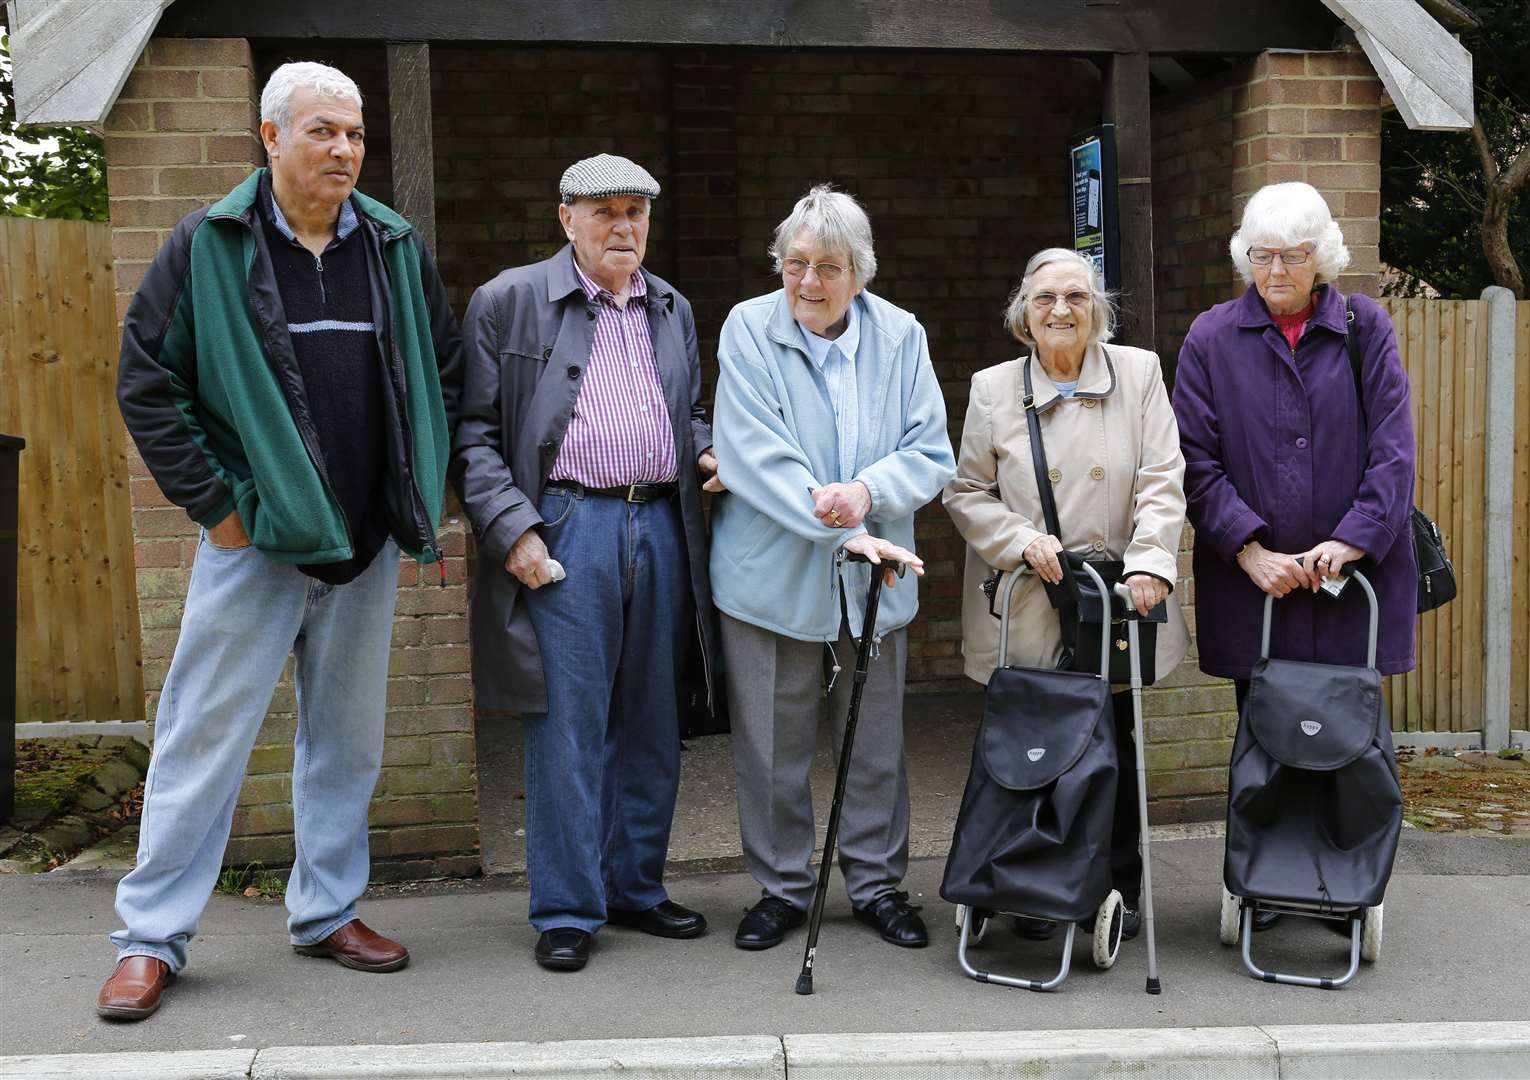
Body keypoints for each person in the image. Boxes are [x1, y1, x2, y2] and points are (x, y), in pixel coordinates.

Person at [104, 61, 462, 1020]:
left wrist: (415, 491)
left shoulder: (391, 244)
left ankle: (328, 911)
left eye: (352, 133)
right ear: (270, 138)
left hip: (364, 547)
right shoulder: (209, 244)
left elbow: (444, 371)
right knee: (201, 742)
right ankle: (151, 940)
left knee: (345, 745)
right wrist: (218, 510)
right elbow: (148, 383)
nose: (343, 148)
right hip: (253, 549)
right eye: (321, 131)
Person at [451, 154, 718, 973]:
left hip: (662, 522)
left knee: (650, 719)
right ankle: (567, 907)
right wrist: (513, 530)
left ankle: (634, 886)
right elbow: (473, 435)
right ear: (564, 218)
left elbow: (693, 413)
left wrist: (711, 456)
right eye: (604, 210)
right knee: (566, 723)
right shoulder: (509, 301)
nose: (623, 226)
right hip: (564, 524)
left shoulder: (671, 306)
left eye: (636, 211)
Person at [708, 184, 954, 952]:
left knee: (873, 738)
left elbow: (929, 449)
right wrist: (835, 519)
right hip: (770, 573)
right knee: (773, 742)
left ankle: (877, 884)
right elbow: (753, 451)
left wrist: (869, 493)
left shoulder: (902, 335)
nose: (809, 283)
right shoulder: (749, 329)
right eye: (796, 264)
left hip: (877, 575)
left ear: (862, 272)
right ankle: (781, 887)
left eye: (829, 267)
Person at [1170, 181, 1417, 929]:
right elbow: (1192, 457)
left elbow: (1394, 449)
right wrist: (1247, 549)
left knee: (1347, 739)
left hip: (1351, 581)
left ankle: (1344, 882)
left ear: (1322, 258)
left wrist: (1352, 537)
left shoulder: (1364, 326)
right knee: (1268, 734)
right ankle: (1267, 880)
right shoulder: (1211, 336)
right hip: (1258, 586)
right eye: (1262, 254)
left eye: (1294, 255)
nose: (1275, 270)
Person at [943, 247, 1188, 942]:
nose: (1060, 309)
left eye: (1076, 297)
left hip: (1114, 597)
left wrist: (1150, 562)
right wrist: (1019, 538)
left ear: (1097, 311)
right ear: (1024, 312)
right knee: (1036, 745)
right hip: (1033, 596)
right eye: (1046, 297)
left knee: (1115, 741)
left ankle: (1118, 883)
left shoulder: (1138, 374)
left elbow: (1163, 478)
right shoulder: (994, 389)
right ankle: (1033, 886)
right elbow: (966, 491)